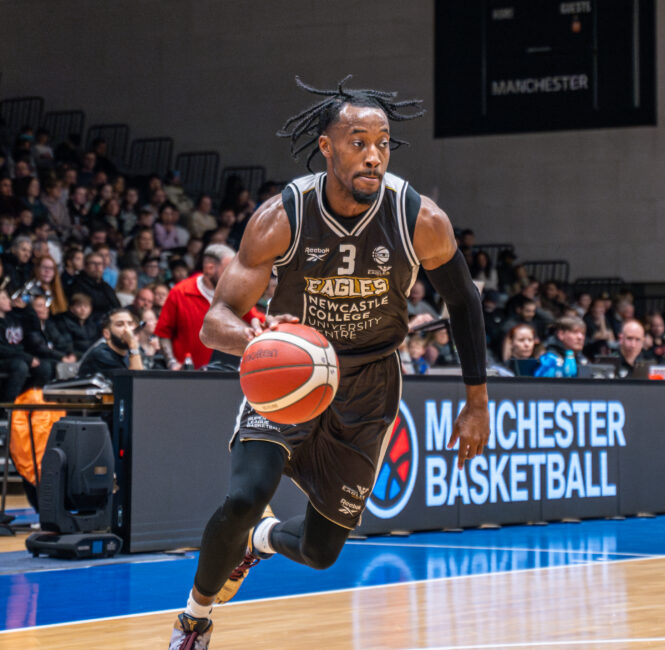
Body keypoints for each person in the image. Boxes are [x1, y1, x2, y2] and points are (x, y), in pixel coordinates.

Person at [169, 77, 490, 650]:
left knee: (320, 553)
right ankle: (194, 619)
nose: (373, 155)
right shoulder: (281, 216)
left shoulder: (420, 219)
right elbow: (215, 318)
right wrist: (259, 343)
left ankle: (261, 541)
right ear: (326, 147)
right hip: (288, 376)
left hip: (367, 387)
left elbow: (464, 301)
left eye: (383, 143)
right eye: (358, 141)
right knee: (243, 497)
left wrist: (476, 402)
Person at [155, 244, 260, 370]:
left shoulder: (236, 294)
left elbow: (257, 320)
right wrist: (172, 363)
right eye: (228, 270)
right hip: (187, 377)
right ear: (210, 268)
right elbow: (163, 334)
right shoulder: (180, 293)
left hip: (225, 375)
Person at [76, 308, 145, 378]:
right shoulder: (101, 354)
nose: (127, 329)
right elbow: (136, 382)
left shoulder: (131, 353)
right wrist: (132, 343)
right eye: (120, 324)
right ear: (107, 334)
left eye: (130, 324)